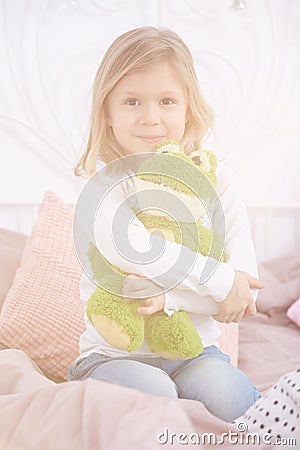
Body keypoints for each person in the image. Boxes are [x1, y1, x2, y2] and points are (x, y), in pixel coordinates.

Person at [69, 26, 265, 423]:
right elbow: (139, 251)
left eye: (167, 101)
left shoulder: (218, 180)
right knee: (155, 395)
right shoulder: (101, 188)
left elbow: (241, 294)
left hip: (196, 352)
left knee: (225, 392)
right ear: (106, 111)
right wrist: (220, 279)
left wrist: (173, 298)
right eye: (132, 101)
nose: (151, 118)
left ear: (188, 107)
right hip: (111, 358)